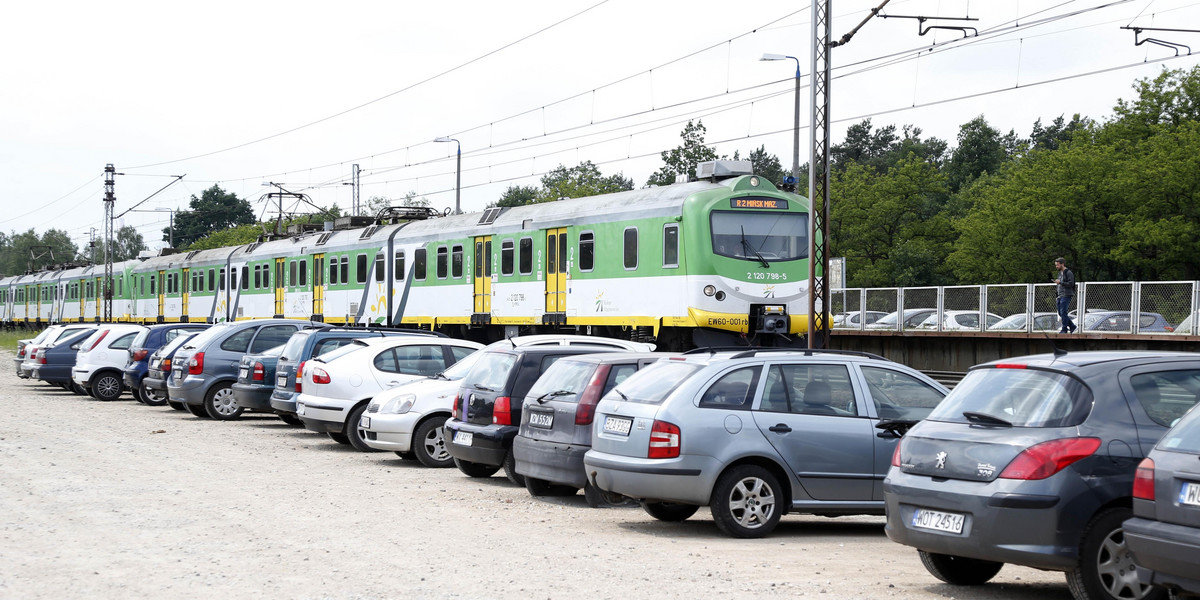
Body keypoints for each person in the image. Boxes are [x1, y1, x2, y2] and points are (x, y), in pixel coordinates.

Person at [1054, 258, 1076, 333]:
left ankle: (1064, 329)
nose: (1056, 266)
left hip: (1066, 295)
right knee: (1060, 313)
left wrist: (1060, 282)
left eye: (1057, 265)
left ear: (1062, 264)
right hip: (1060, 295)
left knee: (1063, 312)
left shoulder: (1068, 273)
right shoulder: (1059, 273)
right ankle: (1072, 326)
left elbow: (1071, 284)